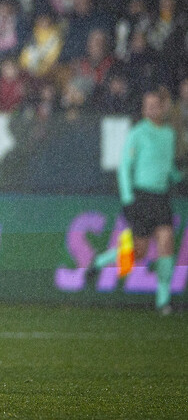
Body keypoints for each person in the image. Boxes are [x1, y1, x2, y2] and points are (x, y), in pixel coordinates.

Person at [86, 91, 183, 314]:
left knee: (166, 242)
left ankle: (163, 301)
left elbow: (167, 165)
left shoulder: (169, 134)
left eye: (154, 105)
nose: (149, 110)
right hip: (141, 197)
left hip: (161, 197)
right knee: (138, 251)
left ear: (162, 108)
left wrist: (178, 176)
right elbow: (124, 166)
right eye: (146, 106)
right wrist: (128, 198)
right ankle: (101, 261)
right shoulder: (138, 133)